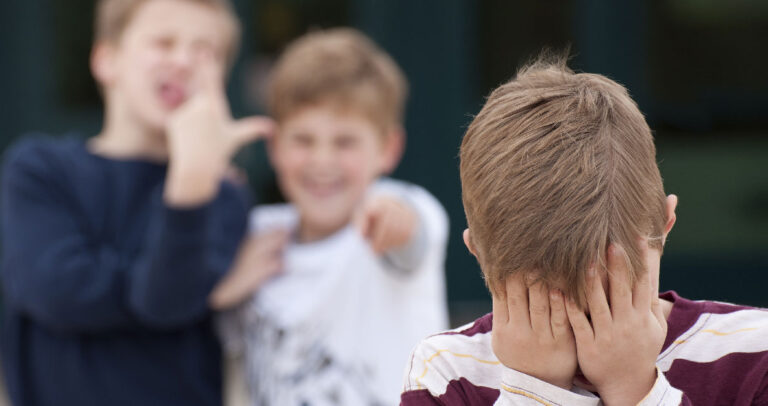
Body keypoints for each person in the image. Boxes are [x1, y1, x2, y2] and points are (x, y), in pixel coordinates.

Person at [400, 57, 768, 405]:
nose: (587, 335)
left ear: (666, 225)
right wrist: (535, 390)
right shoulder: (447, 370)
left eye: (608, 295)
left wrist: (634, 388)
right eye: (546, 301)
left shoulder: (754, 352)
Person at [0, 0, 273, 405]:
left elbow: (166, 300)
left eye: (205, 51)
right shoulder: (40, 170)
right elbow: (56, 291)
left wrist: (191, 179)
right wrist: (205, 294)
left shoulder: (223, 196)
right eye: (163, 42)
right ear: (106, 60)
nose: (182, 60)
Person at [213, 28, 450, 406]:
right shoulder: (256, 235)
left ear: (388, 148)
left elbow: (412, 232)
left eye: (345, 142)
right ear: (274, 146)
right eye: (303, 140)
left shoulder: (395, 207)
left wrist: (394, 219)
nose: (322, 161)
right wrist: (221, 289)